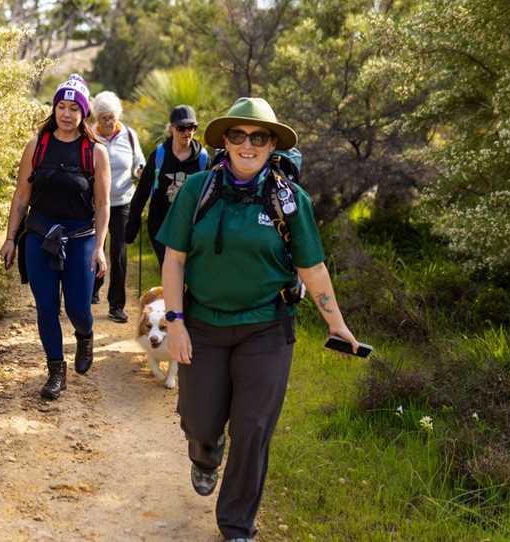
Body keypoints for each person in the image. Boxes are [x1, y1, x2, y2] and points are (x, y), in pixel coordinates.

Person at [157, 97, 361, 541]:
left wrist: (336, 324)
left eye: (259, 137)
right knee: (199, 418)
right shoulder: (198, 191)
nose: (247, 144)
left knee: (253, 429)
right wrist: (175, 322)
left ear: (272, 145)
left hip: (267, 327)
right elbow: (174, 259)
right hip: (204, 325)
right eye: (238, 135)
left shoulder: (290, 201)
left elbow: (313, 267)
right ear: (225, 141)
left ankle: (236, 526)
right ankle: (205, 452)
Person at [0, 74, 110, 400]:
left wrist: (100, 248)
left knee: (77, 306)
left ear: (83, 113)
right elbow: (21, 197)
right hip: (39, 235)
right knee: (46, 306)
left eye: (73, 108)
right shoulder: (37, 145)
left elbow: (103, 205)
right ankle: (55, 371)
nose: (66, 114)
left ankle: (85, 334)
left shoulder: (95, 152)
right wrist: (10, 238)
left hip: (80, 236)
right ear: (54, 108)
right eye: (61, 106)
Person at [125, 105, 210, 268]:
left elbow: (210, 195)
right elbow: (142, 192)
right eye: (182, 128)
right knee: (169, 267)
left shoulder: (203, 159)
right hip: (160, 224)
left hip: (190, 225)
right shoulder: (159, 155)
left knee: (188, 272)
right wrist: (132, 228)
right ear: (171, 128)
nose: (187, 133)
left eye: (192, 127)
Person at [89, 91, 146, 323]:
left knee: (119, 253)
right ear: (97, 117)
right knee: (92, 248)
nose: (109, 122)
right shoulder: (89, 136)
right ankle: (93, 286)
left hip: (122, 202)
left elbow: (137, 160)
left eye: (112, 117)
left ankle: (116, 305)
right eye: (104, 118)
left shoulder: (129, 135)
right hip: (93, 204)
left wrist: (141, 169)